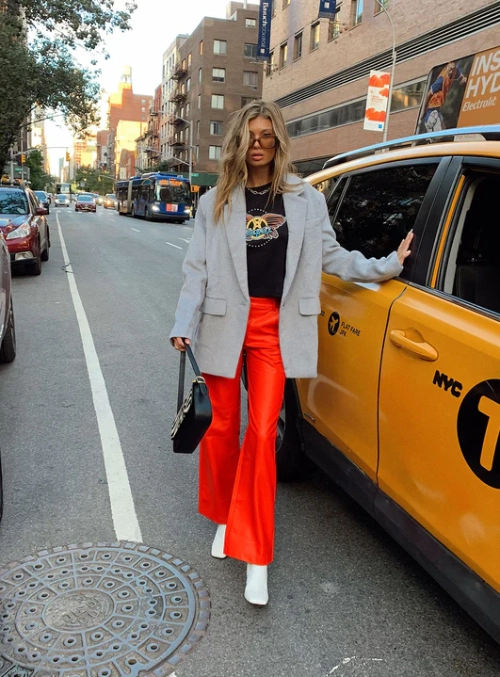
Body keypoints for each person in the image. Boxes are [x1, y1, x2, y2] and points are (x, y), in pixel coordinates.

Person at [170, 100, 413, 607]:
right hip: (221, 322)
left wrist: (386, 264)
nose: (258, 144)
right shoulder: (215, 200)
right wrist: (182, 323)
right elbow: (197, 268)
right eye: (250, 136)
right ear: (239, 142)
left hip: (275, 328)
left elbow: (333, 256)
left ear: (278, 141)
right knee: (220, 430)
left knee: (261, 434)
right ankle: (224, 518)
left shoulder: (306, 200)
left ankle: (255, 554)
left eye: (267, 136)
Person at [419, 61, 467, 133]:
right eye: (450, 69)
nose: (451, 71)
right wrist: (424, 111)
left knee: (444, 129)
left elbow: (459, 71)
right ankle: (429, 125)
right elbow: (428, 94)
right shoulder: (441, 80)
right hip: (432, 108)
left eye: (453, 69)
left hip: (438, 108)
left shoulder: (455, 69)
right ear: (447, 66)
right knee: (439, 131)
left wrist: (463, 77)